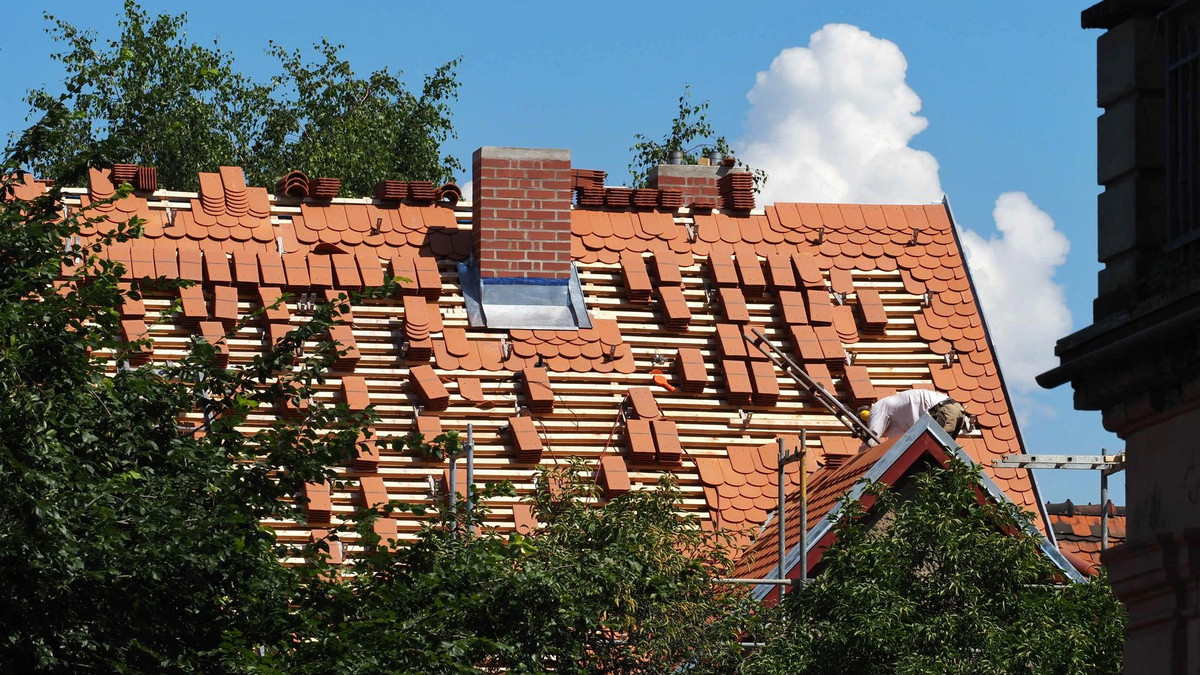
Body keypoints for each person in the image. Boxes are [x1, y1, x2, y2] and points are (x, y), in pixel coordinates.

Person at [857, 389, 966, 447]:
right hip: (955, 409)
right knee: (941, 452)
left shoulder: (876, 410)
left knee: (935, 451)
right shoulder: (893, 414)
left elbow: (871, 440)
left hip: (942, 410)